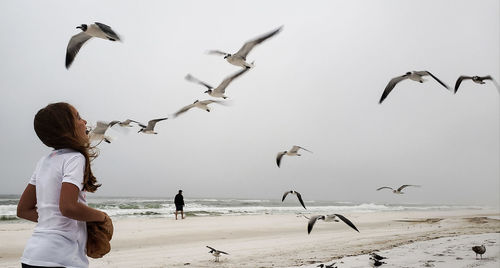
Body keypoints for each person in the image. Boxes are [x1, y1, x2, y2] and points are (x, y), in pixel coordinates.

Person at [17, 102, 111, 268]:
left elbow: (23, 210)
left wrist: (53, 221)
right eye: (78, 117)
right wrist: (101, 217)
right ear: (66, 128)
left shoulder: (45, 161)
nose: (84, 121)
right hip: (62, 258)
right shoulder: (75, 158)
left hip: (32, 256)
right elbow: (68, 207)